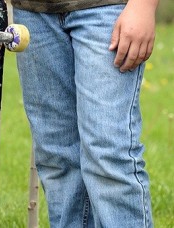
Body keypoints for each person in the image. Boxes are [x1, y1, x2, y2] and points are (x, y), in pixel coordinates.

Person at [10, 0, 159, 227]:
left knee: (108, 154)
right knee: (57, 157)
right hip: (32, 13)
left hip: (106, 9)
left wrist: (144, 6)